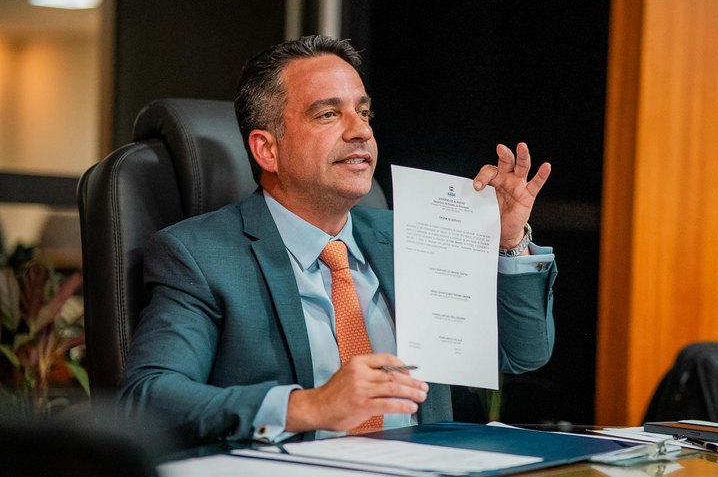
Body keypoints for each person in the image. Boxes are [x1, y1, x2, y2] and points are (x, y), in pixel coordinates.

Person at [119, 35, 557, 445]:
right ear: (266, 149)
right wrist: (309, 406)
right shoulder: (199, 255)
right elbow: (148, 397)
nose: (360, 131)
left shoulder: (409, 236)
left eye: (363, 112)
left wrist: (508, 241)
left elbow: (520, 355)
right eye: (328, 114)